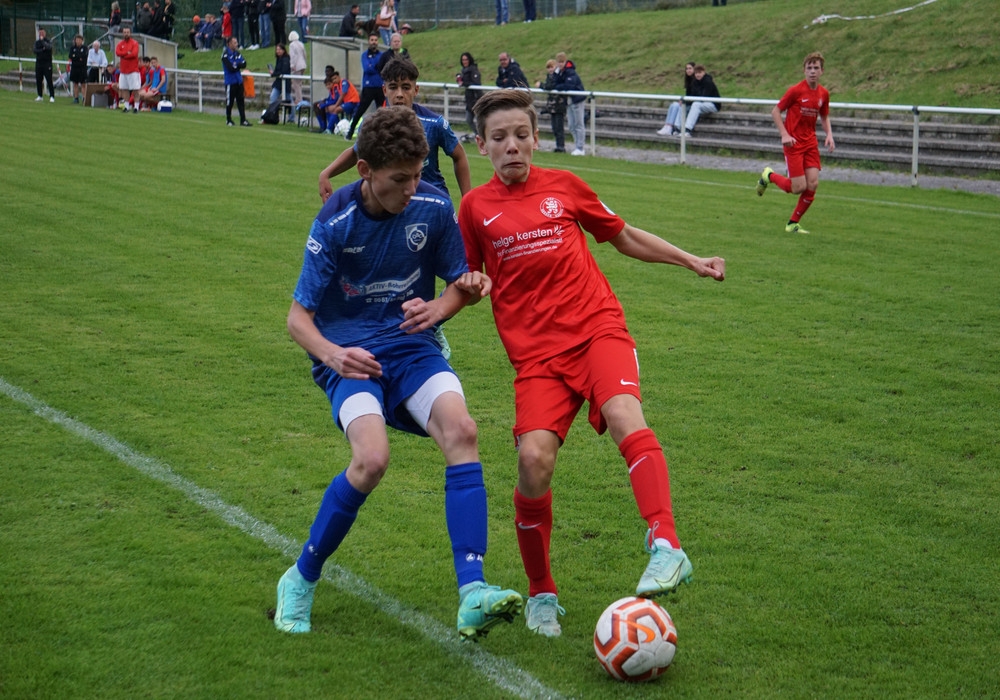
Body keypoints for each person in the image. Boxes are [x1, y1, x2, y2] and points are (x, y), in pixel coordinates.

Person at [458, 89, 726, 638]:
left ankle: (666, 544)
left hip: (596, 328)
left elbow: (622, 236)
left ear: (536, 138)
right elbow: (467, 277)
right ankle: (541, 594)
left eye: (522, 135)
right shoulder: (475, 208)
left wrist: (691, 261)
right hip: (536, 356)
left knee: (626, 414)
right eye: (500, 137)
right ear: (482, 145)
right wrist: (464, 287)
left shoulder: (565, 186)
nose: (513, 146)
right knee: (533, 460)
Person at [273, 105, 524, 641]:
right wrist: (334, 356)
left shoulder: (433, 206)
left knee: (463, 431)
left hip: (412, 348)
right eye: (399, 179)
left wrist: (450, 301)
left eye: (416, 175)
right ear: (365, 171)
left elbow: (459, 283)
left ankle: (473, 591)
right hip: (351, 355)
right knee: (371, 460)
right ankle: (300, 577)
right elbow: (298, 319)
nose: (412, 189)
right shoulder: (335, 220)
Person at [320, 57, 471, 200]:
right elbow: (356, 152)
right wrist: (326, 174)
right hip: (393, 203)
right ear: (384, 90)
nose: (399, 94)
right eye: (393, 87)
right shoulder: (374, 124)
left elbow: (459, 156)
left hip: (431, 203)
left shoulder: (434, 123)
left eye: (406, 87)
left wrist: (467, 200)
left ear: (415, 90)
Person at [756, 51, 835, 235]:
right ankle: (769, 176)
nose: (812, 71)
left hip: (810, 144)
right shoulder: (796, 91)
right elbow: (776, 111)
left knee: (812, 184)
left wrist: (829, 135)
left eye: (816, 68)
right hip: (793, 144)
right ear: (804, 70)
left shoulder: (824, 93)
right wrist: (784, 135)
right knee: (798, 188)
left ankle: (792, 223)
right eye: (809, 67)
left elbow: (824, 116)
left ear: (822, 71)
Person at [345, 34, 383, 140]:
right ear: (368, 41)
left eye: (375, 40)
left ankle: (381, 134)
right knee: (360, 110)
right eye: (372, 40)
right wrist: (377, 66)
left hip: (380, 86)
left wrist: (374, 66)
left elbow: (383, 67)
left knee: (382, 112)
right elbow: (367, 68)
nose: (374, 42)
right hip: (368, 87)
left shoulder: (381, 55)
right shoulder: (364, 55)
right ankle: (351, 131)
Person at [555, 52, 586, 156]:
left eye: (562, 62)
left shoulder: (570, 72)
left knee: (578, 124)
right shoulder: (560, 72)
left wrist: (559, 87)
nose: (560, 64)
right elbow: (555, 83)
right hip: (569, 101)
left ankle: (580, 148)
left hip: (577, 100)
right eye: (558, 62)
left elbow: (569, 86)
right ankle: (577, 145)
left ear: (565, 61)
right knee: (571, 125)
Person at [677, 65, 720, 137]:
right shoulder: (695, 82)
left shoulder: (708, 82)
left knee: (696, 104)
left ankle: (687, 129)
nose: (697, 75)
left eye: (699, 73)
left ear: (704, 72)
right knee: (685, 105)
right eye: (696, 73)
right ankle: (677, 128)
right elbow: (692, 95)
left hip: (713, 104)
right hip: (702, 104)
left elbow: (704, 97)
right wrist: (684, 100)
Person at [657, 62, 695, 136]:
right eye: (687, 69)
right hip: (688, 102)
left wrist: (684, 101)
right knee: (674, 105)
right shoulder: (688, 80)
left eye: (690, 68)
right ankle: (667, 126)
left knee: (679, 106)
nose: (688, 70)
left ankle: (671, 127)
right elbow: (688, 95)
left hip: (691, 104)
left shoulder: (695, 81)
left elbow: (693, 96)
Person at [537, 58, 565, 152]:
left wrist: (541, 85)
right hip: (553, 106)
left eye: (551, 67)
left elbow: (550, 86)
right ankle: (558, 145)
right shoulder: (549, 76)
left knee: (559, 127)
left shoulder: (557, 75)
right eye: (548, 67)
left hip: (559, 105)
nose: (550, 69)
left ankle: (561, 146)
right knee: (554, 127)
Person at [222, 36, 252, 126]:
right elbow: (230, 68)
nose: (236, 44)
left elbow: (244, 64)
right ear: (229, 44)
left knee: (241, 101)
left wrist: (236, 65)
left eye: (236, 42)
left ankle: (243, 120)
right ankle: (228, 119)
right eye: (234, 43)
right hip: (230, 82)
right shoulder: (225, 55)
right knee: (230, 102)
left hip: (239, 81)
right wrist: (238, 65)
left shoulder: (237, 53)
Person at [115, 27, 141, 111]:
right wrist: (126, 53)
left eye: (127, 32)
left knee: (135, 89)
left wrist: (123, 56)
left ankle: (136, 107)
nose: (126, 34)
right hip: (123, 71)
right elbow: (117, 52)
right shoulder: (120, 43)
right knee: (124, 89)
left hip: (133, 71)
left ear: (130, 33)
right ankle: (126, 106)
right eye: (124, 32)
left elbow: (134, 54)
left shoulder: (134, 43)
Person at [458, 52, 482, 142]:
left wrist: (464, 83)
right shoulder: (463, 70)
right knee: (468, 119)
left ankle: (481, 135)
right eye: (463, 60)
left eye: (466, 59)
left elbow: (477, 83)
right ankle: (478, 134)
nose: (464, 61)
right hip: (469, 99)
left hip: (476, 98)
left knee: (480, 120)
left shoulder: (474, 69)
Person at [32, 28, 55, 102]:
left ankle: (52, 96)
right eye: (40, 33)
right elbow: (35, 50)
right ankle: (40, 95)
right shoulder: (37, 42)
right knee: (39, 80)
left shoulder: (48, 41)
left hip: (47, 63)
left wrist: (42, 42)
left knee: (49, 80)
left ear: (45, 33)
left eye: (42, 33)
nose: (41, 34)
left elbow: (48, 47)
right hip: (39, 63)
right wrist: (42, 50)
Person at [68, 34, 88, 103]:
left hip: (82, 68)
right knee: (75, 83)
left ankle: (84, 98)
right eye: (77, 40)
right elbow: (71, 56)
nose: (78, 41)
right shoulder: (72, 48)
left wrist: (76, 56)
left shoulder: (85, 48)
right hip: (74, 68)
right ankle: (76, 98)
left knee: (83, 84)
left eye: (80, 40)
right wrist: (78, 57)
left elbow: (84, 56)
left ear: (82, 41)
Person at [287, 30, 306, 104]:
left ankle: (299, 99)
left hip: (296, 66)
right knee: (299, 83)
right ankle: (300, 98)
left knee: (296, 84)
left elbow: (293, 56)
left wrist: (292, 65)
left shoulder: (292, 45)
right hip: (303, 65)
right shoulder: (301, 44)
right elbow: (304, 54)